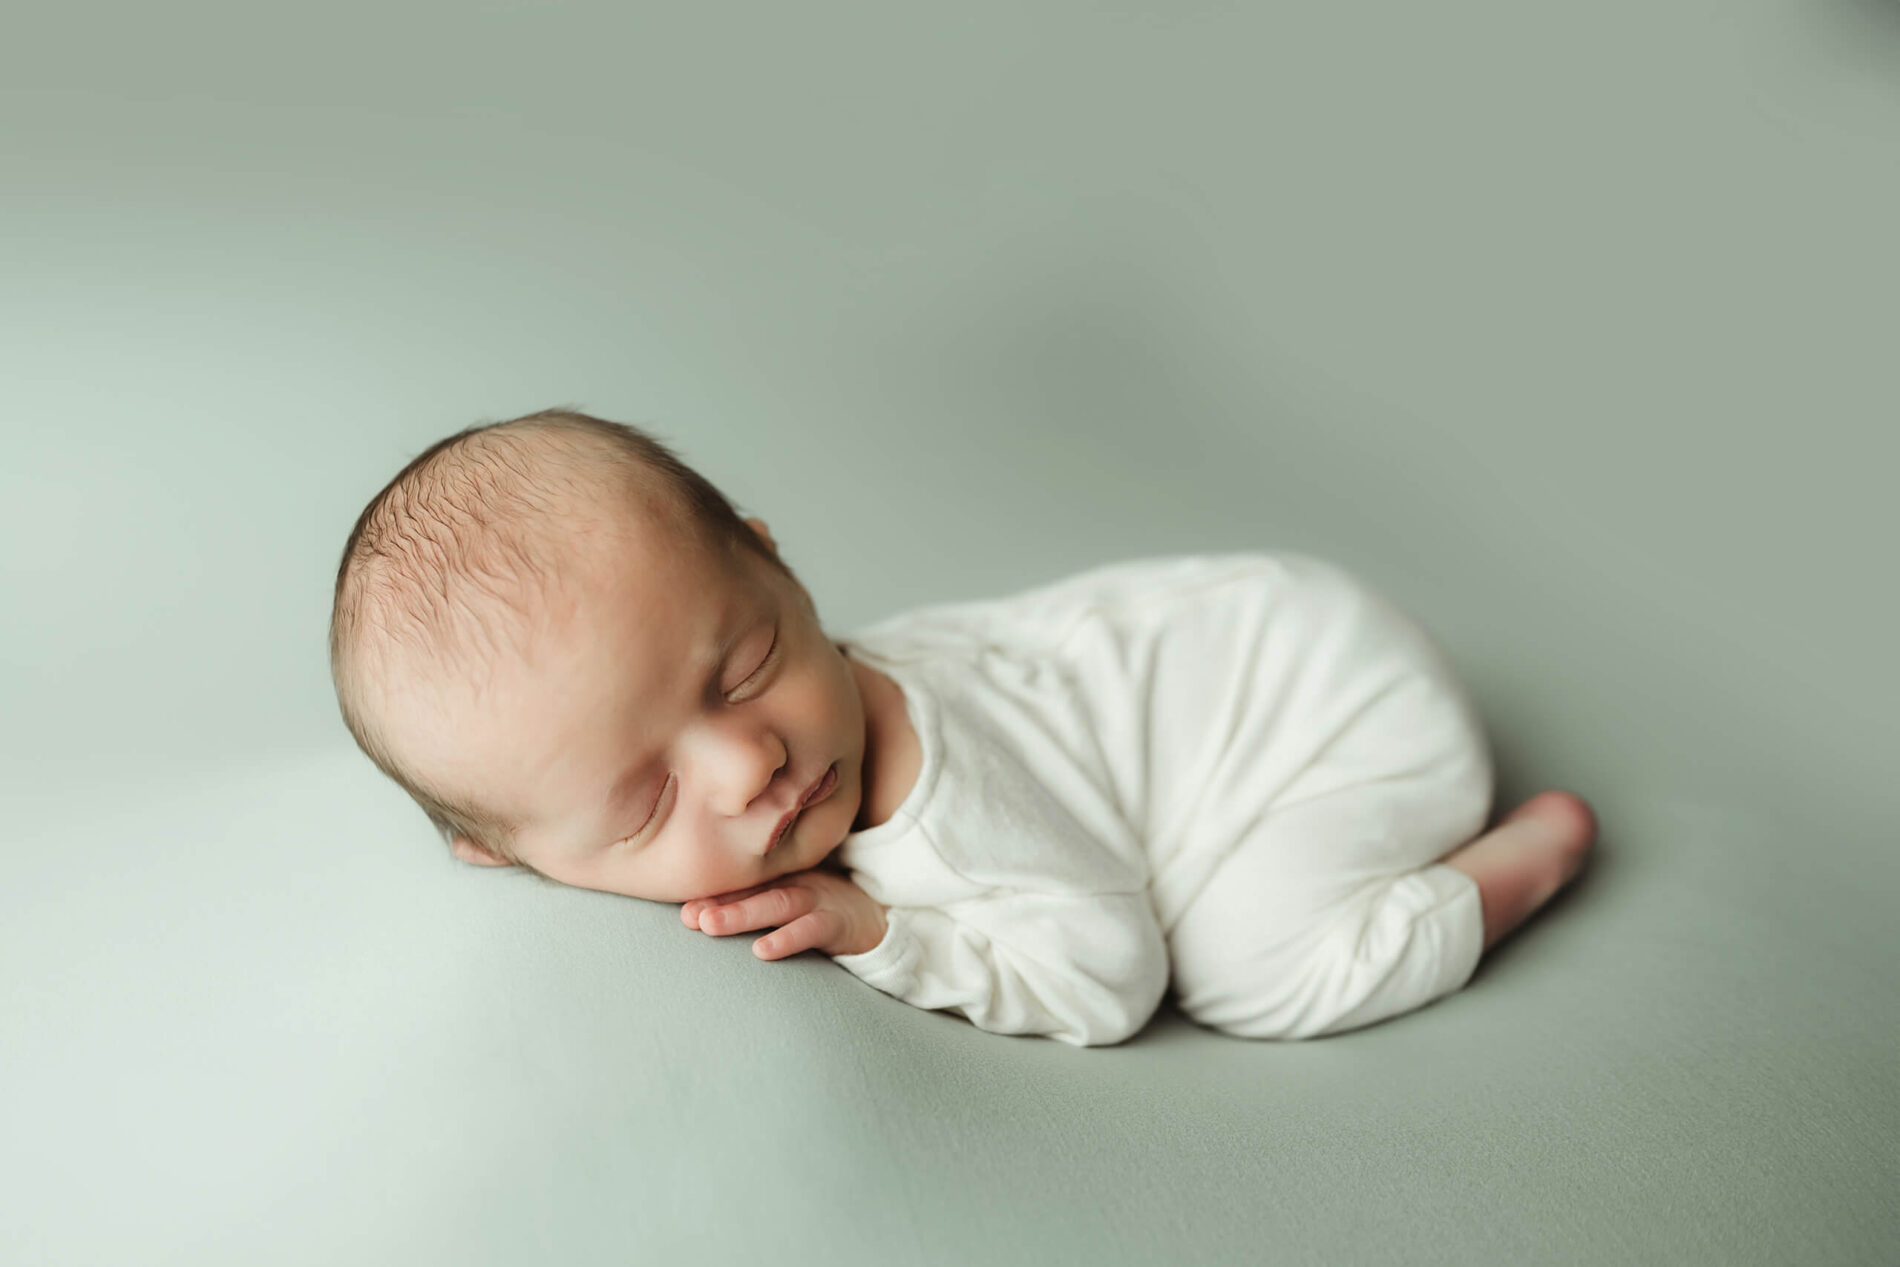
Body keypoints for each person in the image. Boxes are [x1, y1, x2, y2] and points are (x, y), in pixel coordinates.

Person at [328, 407, 1596, 1047]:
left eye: (749, 663)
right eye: (647, 803)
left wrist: (889, 934)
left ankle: (1519, 858)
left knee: (1244, 973)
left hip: (1335, 718)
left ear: (778, 567)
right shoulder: (794, 716)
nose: (747, 760)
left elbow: (1114, 978)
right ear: (505, 853)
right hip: (1253, 628)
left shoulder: (941, 799)